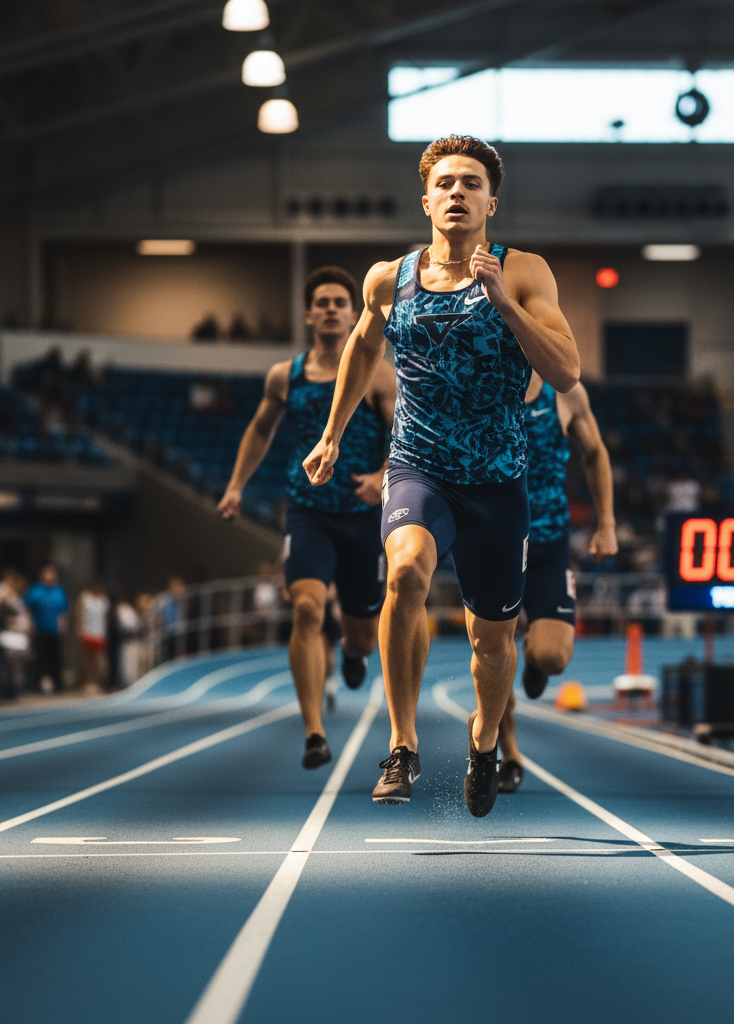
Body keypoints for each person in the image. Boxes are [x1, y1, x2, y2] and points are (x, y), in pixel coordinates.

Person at [303, 135, 580, 817]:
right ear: (426, 199)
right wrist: (332, 435)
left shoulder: (524, 272)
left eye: (471, 183)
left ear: (492, 201)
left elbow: (566, 371)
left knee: (493, 642)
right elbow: (364, 348)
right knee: (403, 574)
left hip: (497, 483)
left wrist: (506, 305)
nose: (458, 192)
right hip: (418, 467)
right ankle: (403, 744)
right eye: (446, 183)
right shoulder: (386, 279)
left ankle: (484, 738)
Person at [219, 266, 395, 770]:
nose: (332, 308)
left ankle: (354, 651)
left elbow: (406, 430)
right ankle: (314, 731)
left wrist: (383, 474)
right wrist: (236, 487)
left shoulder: (378, 371)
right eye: (323, 302)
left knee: (362, 634)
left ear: (354, 311)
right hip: (309, 513)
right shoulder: (285, 376)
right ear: (308, 313)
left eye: (341, 301)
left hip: (363, 516)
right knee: (306, 610)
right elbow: (258, 432)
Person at [495, 372, 618, 792]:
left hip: (549, 543)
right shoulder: (481, 382)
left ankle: (533, 653)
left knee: (553, 659)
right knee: (496, 657)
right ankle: (508, 755)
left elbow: (596, 452)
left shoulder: (564, 393)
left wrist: (606, 524)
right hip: (494, 545)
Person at [23, 565, 69, 693]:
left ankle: (58, 684)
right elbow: (27, 610)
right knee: (38, 659)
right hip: (39, 630)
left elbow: (63, 612)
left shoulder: (59, 591)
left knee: (56, 659)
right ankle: (34, 685)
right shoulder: (35, 590)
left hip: (54, 631)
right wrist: (30, 626)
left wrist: (64, 629)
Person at [78, 581, 110, 692]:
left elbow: (105, 618)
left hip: (99, 633)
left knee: (98, 660)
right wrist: (81, 631)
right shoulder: (85, 598)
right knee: (88, 660)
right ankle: (87, 682)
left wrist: (105, 633)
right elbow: (81, 616)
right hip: (88, 632)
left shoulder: (103, 600)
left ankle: (96, 681)